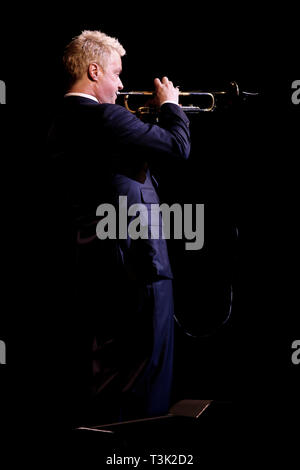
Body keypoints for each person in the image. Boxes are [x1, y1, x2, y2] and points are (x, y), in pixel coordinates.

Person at [46, 30, 190, 426]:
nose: (123, 84)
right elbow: (178, 147)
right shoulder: (106, 116)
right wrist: (171, 106)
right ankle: (139, 453)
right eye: (116, 72)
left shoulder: (59, 123)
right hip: (139, 265)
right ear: (94, 70)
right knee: (148, 380)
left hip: (95, 264)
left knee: (110, 376)